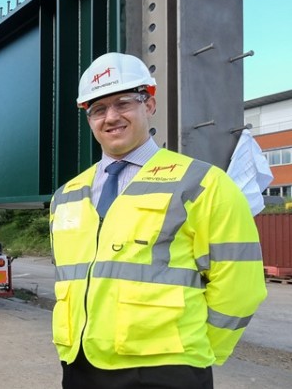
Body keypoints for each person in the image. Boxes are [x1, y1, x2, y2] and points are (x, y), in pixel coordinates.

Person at [49, 52, 267, 389]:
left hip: (167, 371)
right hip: (80, 367)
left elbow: (241, 286)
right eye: (97, 109)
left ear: (149, 104)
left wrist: (199, 351)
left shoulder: (202, 183)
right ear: (88, 117)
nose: (111, 117)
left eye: (123, 103)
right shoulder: (66, 195)